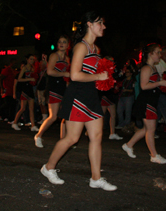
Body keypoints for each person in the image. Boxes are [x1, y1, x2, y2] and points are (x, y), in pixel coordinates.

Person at [41, 11, 117, 191]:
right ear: (90, 24)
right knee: (72, 138)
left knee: (97, 137)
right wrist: (99, 76)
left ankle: (96, 178)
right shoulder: (81, 47)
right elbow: (74, 75)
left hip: (91, 95)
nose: (104, 27)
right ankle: (48, 167)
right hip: (77, 96)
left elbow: (92, 74)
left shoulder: (96, 49)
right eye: (101, 23)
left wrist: (104, 79)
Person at [122, 43, 166, 164]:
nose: (160, 55)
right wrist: (159, 83)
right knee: (151, 129)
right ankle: (154, 155)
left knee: (146, 128)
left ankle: (128, 145)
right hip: (146, 102)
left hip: (151, 101)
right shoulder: (146, 68)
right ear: (150, 54)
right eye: (158, 52)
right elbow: (143, 86)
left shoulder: (153, 68)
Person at [34, 36, 70, 148]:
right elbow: (49, 72)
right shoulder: (54, 55)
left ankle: (63, 141)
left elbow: (68, 74)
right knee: (53, 116)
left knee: (65, 116)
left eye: (64, 42)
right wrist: (64, 74)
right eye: (60, 42)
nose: (61, 44)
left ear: (68, 45)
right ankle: (38, 136)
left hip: (63, 87)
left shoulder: (68, 58)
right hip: (54, 86)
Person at [10, 54, 39, 131]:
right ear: (27, 59)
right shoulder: (24, 68)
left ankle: (33, 125)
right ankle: (15, 122)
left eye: (33, 59)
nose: (32, 61)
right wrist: (29, 79)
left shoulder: (33, 68)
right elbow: (19, 79)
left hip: (30, 89)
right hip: (25, 89)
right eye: (31, 59)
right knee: (22, 108)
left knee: (31, 108)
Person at [99, 56, 122, 140]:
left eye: (113, 61)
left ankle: (112, 133)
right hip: (104, 94)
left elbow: (116, 79)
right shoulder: (103, 70)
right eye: (110, 61)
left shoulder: (113, 70)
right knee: (102, 115)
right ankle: (96, 132)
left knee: (113, 114)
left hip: (111, 94)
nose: (112, 62)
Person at [116, 63, 136, 130]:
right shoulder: (124, 80)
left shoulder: (133, 81)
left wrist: (127, 90)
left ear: (131, 73)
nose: (126, 73)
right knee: (119, 111)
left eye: (127, 72)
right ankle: (121, 124)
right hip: (122, 96)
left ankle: (126, 125)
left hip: (129, 96)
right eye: (126, 72)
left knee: (128, 111)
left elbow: (133, 90)